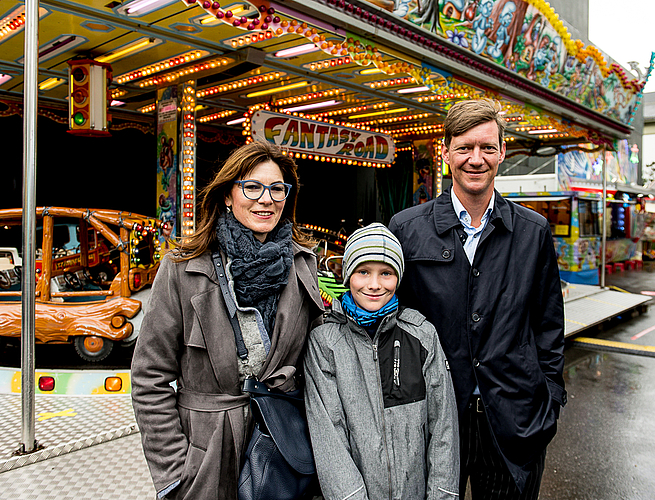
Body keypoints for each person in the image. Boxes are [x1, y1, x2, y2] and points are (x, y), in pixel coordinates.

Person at [389, 99, 566, 500]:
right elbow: (390, 322)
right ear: (446, 151)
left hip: (512, 421)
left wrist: (549, 399)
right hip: (432, 418)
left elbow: (549, 325)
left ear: (503, 152)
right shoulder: (407, 228)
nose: (476, 159)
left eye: (487, 147)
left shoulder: (533, 231)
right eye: (465, 147)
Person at [131, 141, 325, 500]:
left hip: (281, 451)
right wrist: (175, 474)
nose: (266, 199)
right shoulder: (184, 269)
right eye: (252, 186)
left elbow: (318, 364)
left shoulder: (303, 265)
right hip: (205, 455)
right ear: (227, 195)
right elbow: (149, 378)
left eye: (277, 188)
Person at [304, 223, 460, 500]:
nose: (374, 284)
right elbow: (328, 434)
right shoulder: (326, 342)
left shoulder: (422, 335)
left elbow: (443, 424)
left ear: (398, 278)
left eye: (386, 273)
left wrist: (442, 494)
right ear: (347, 275)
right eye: (363, 272)